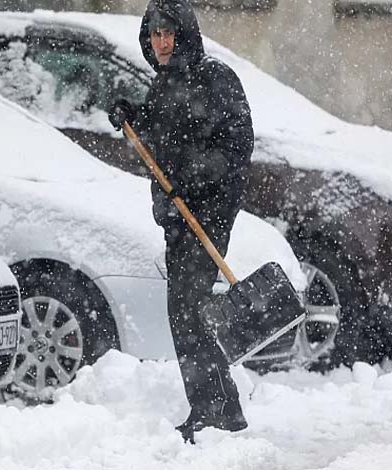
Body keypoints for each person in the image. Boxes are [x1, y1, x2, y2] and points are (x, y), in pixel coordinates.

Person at [107, 0, 254, 443]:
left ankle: (214, 412)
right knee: (186, 314)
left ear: (186, 32)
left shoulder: (215, 78)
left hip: (207, 215)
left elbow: (237, 146)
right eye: (155, 33)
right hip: (176, 217)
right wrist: (132, 112)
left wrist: (194, 176)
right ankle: (221, 409)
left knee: (188, 314)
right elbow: (162, 131)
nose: (163, 41)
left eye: (170, 32)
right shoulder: (164, 83)